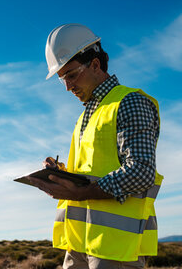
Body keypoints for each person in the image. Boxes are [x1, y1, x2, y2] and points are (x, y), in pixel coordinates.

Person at [28, 24, 163, 269]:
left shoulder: (130, 101)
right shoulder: (86, 116)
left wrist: (81, 193)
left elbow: (142, 171)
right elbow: (94, 169)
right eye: (62, 80)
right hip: (79, 243)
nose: (67, 87)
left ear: (95, 65)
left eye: (70, 75)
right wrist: (60, 172)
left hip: (114, 249)